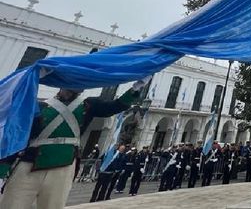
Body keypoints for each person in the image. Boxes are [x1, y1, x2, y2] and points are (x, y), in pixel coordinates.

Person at [0, 78, 148, 209]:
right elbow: (17, 136)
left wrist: (136, 88)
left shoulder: (88, 105)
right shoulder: (41, 106)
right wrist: (4, 167)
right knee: (12, 204)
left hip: (63, 166)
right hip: (29, 164)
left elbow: (115, 106)